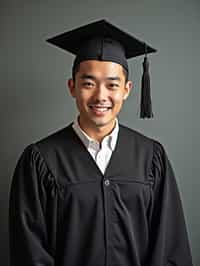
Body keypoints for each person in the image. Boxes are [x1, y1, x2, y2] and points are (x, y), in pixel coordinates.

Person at [9, 20, 193, 266]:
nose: (100, 96)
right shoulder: (40, 160)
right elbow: (29, 252)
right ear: (72, 87)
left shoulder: (151, 157)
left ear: (127, 90)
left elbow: (169, 245)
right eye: (88, 83)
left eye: (112, 85)